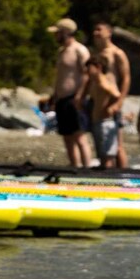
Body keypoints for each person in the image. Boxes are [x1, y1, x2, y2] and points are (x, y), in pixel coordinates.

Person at [46, 17, 92, 167]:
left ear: (66, 32)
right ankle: (74, 165)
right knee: (67, 136)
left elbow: (86, 74)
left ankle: (86, 167)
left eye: (58, 33)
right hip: (62, 99)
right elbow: (60, 76)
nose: (55, 36)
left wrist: (80, 95)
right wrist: (55, 95)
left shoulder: (79, 50)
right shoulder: (61, 51)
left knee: (79, 135)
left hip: (75, 97)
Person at [89, 21, 131, 168]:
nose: (96, 33)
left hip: (111, 102)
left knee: (117, 145)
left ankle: (123, 175)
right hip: (96, 102)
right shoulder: (97, 53)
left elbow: (126, 78)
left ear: (109, 33)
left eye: (99, 30)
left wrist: (118, 103)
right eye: (95, 30)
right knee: (103, 145)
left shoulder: (117, 53)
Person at [84, 56, 121, 168]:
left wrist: (110, 108)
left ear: (98, 67)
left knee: (108, 156)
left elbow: (116, 95)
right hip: (97, 121)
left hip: (105, 122)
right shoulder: (95, 82)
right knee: (102, 155)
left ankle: (109, 179)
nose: (88, 71)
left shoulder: (103, 81)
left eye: (90, 68)